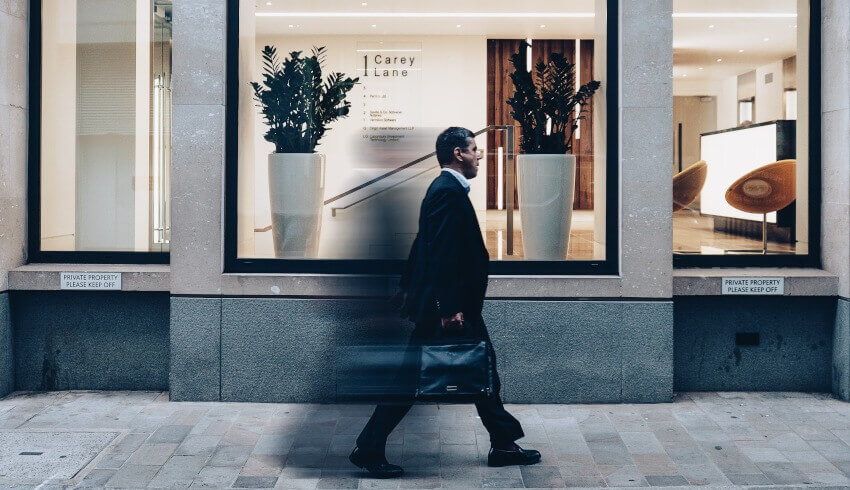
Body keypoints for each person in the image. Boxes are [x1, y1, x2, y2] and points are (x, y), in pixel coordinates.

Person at [349, 127, 541, 478]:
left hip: (449, 305)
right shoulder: (447, 192)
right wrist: (449, 307)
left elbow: (422, 242)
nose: (479, 155)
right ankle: (369, 446)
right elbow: (438, 251)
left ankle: (503, 443)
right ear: (458, 154)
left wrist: (408, 286)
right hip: (449, 309)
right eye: (474, 150)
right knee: (418, 379)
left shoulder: (446, 190)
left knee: (483, 368)